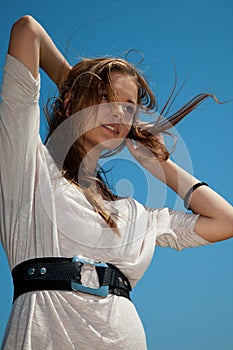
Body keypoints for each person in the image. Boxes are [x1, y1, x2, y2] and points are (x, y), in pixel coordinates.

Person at [0, 15, 232, 350]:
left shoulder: (133, 213)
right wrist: (79, 95)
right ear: (69, 103)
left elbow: (225, 222)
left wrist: (163, 167)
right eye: (106, 98)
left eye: (128, 107)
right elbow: (27, 31)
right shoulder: (29, 169)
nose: (119, 113)